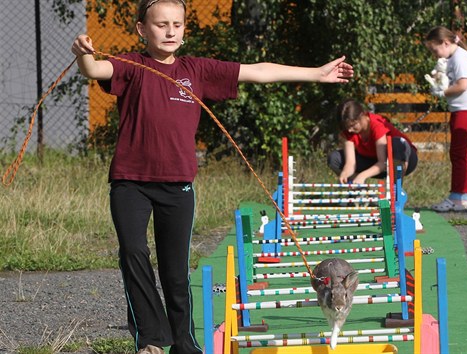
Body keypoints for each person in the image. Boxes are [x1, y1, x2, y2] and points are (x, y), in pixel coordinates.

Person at [70, 1, 353, 354]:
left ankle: (184, 344)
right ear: (142, 29)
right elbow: (95, 69)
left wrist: (316, 73)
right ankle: (151, 340)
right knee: (133, 252)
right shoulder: (132, 65)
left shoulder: (198, 70)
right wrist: (82, 53)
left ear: (185, 29)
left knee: (175, 272)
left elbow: (257, 71)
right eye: (161, 24)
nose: (170, 31)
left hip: (178, 187)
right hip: (130, 182)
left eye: (177, 24)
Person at [424, 26, 467, 212]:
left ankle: (459, 197)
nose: (435, 55)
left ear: (446, 43)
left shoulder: (459, 57)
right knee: (460, 153)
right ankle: (461, 196)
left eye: (435, 50)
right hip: (461, 109)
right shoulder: (452, 57)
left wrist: (442, 93)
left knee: (459, 154)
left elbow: (462, 85)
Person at [327, 99, 418, 185]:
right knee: (334, 158)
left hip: (403, 158)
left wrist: (362, 175)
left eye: (353, 125)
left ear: (362, 116)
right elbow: (350, 163)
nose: (350, 130)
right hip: (376, 163)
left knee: (397, 142)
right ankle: (359, 190)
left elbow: (382, 163)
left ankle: (396, 191)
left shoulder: (376, 125)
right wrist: (345, 174)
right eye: (347, 127)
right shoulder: (348, 132)